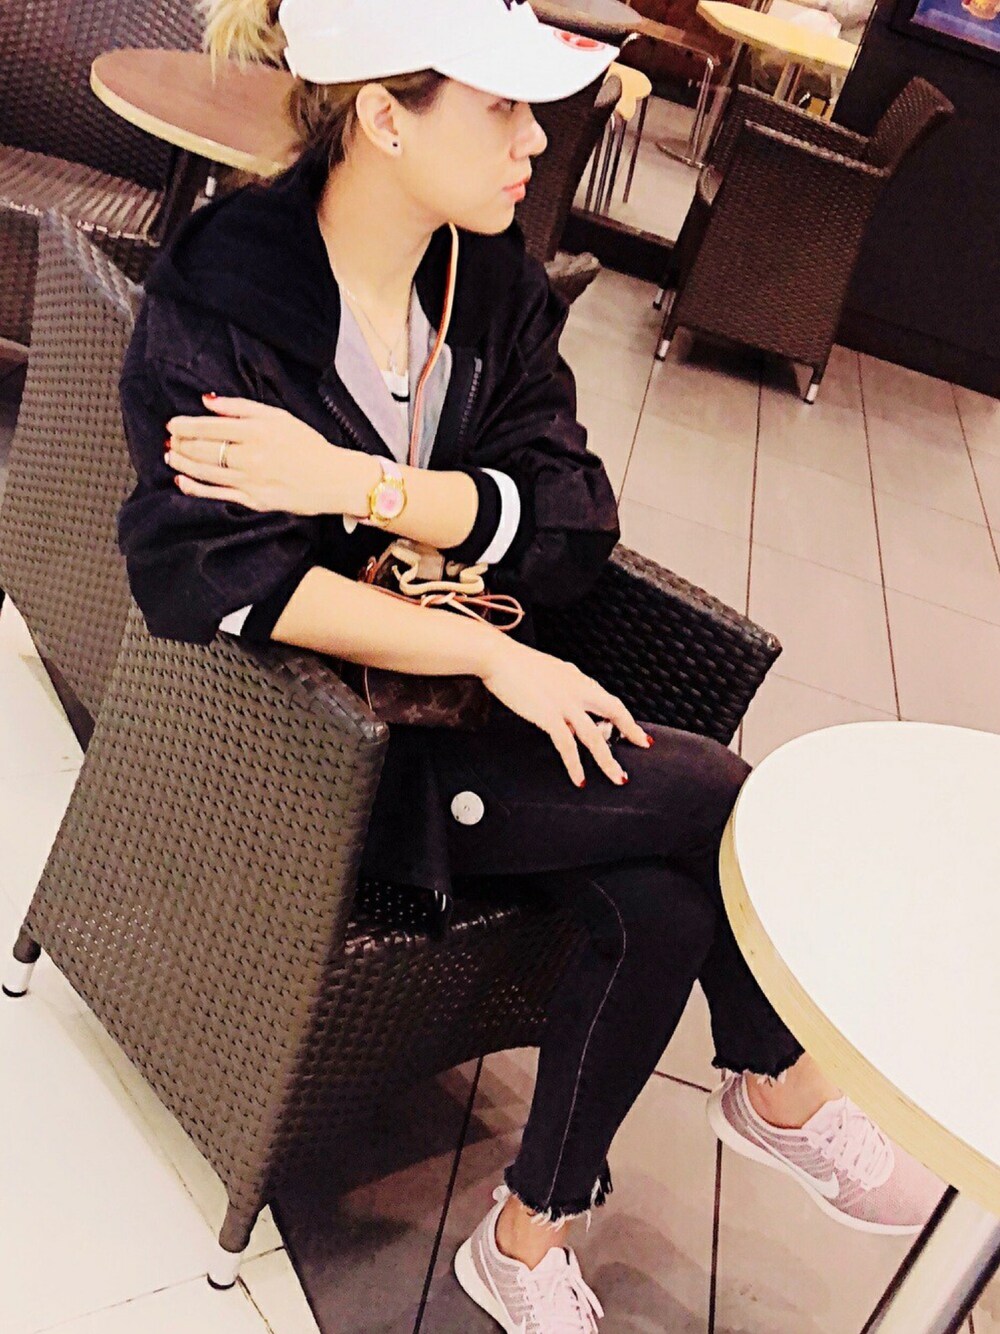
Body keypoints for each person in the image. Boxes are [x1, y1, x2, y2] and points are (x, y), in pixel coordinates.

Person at [116, 1, 943, 1328]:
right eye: (499, 107)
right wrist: (487, 655)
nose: (537, 138)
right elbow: (210, 578)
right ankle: (778, 1083)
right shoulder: (232, 290)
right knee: (723, 797)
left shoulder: (484, 279)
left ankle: (525, 1237)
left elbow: (571, 523)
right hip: (323, 755)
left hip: (464, 711)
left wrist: (361, 486)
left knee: (661, 902)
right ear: (384, 117)